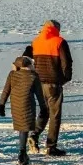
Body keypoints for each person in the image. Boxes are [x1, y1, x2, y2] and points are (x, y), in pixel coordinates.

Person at [26, 20, 73, 156]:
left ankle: (34, 135)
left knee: (44, 112)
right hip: (54, 84)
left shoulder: (36, 42)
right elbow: (66, 63)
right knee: (55, 115)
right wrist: (65, 78)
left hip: (39, 83)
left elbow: (30, 61)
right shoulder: (59, 42)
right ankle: (51, 146)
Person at [0, 56, 48, 165]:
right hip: (28, 104)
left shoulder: (12, 74)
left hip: (15, 104)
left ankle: (22, 152)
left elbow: (6, 90)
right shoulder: (33, 76)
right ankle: (22, 154)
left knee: (22, 128)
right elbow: (39, 95)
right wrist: (43, 108)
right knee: (25, 128)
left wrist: (1, 104)